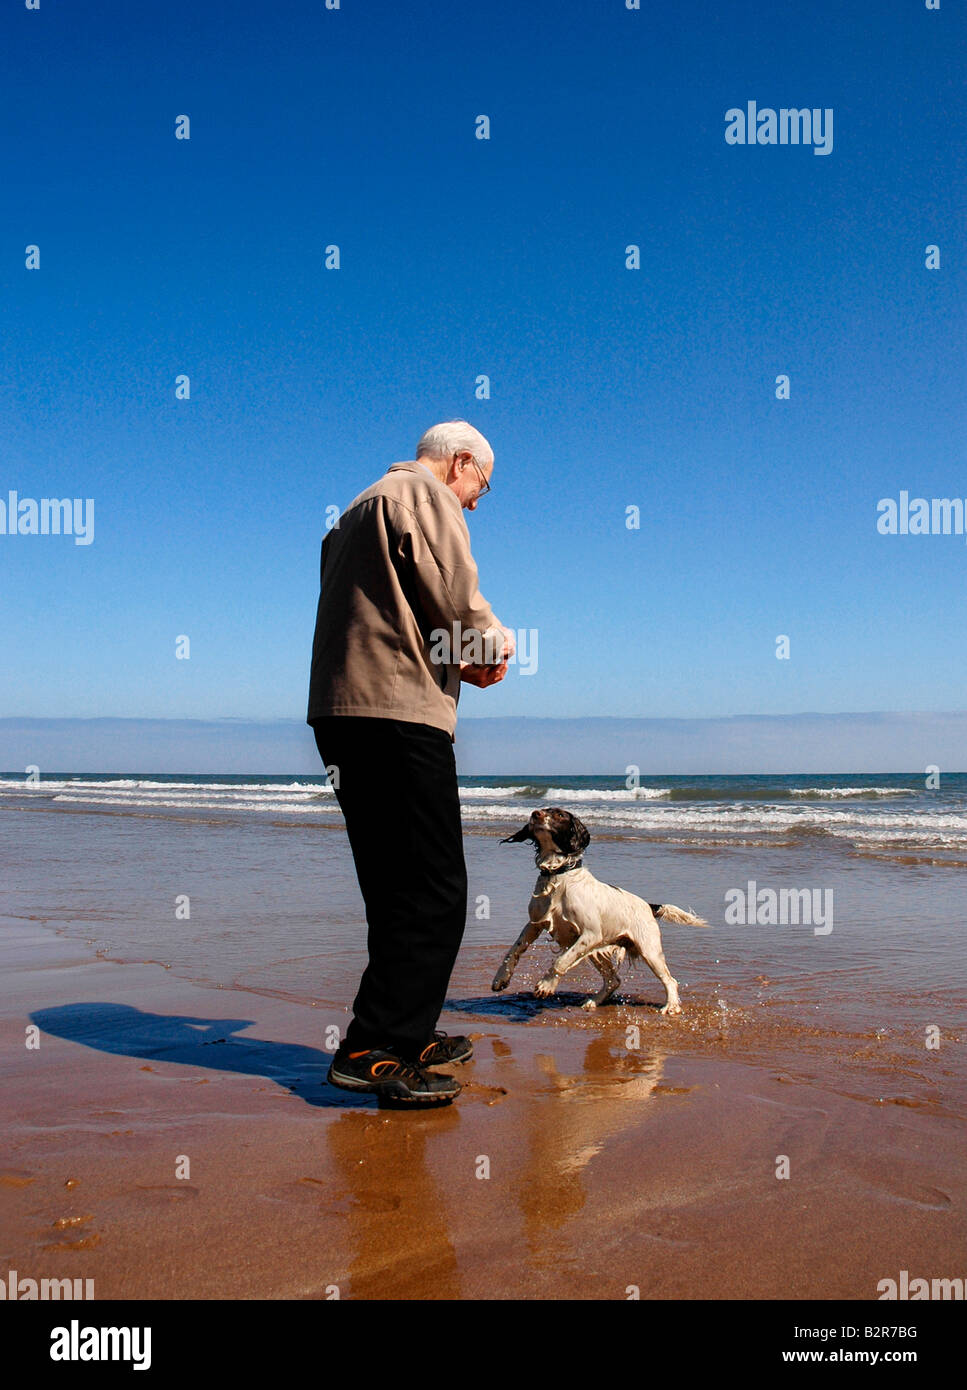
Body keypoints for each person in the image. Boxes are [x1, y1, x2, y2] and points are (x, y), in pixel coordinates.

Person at [307, 419, 514, 1104]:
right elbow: (457, 603)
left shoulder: (352, 512)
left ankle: (407, 1033)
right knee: (434, 889)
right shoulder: (422, 496)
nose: (476, 502)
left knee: (397, 887)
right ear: (459, 463)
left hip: (344, 712)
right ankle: (369, 1047)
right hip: (396, 713)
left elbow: (391, 611)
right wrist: (494, 650)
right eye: (480, 487)